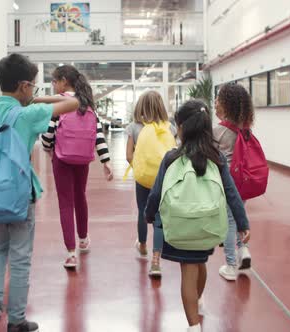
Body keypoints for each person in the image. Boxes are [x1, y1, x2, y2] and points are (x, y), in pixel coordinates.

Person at [0, 53, 80, 332]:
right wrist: (36, 101)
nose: (34, 91)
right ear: (23, 86)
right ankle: (17, 320)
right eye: (33, 86)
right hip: (20, 196)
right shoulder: (28, 114)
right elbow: (73, 102)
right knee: (20, 257)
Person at [145, 100, 251, 331]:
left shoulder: (172, 158)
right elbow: (232, 192)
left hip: (180, 225)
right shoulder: (217, 158)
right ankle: (198, 299)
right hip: (207, 225)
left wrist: (149, 215)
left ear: (181, 128)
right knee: (199, 263)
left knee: (188, 272)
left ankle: (194, 326)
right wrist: (242, 223)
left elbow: (156, 192)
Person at [41, 65, 113, 269]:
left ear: (64, 81)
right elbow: (98, 133)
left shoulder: (59, 103)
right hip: (82, 159)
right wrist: (106, 161)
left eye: (54, 81)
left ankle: (71, 253)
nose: (53, 85)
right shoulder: (86, 103)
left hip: (62, 159)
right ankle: (83, 239)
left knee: (66, 203)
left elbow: (48, 133)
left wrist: (48, 149)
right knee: (80, 196)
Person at [125, 90, 176, 277]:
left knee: (142, 210)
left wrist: (139, 168)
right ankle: (156, 260)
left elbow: (128, 155)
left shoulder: (134, 127)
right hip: (163, 178)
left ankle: (143, 244)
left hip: (143, 178)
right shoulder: (169, 128)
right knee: (159, 215)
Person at [214, 83, 255, 281]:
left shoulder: (218, 131)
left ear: (225, 105)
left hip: (227, 181)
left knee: (228, 222)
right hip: (244, 181)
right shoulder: (245, 130)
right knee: (240, 216)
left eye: (218, 99)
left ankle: (231, 265)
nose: (215, 103)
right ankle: (244, 250)